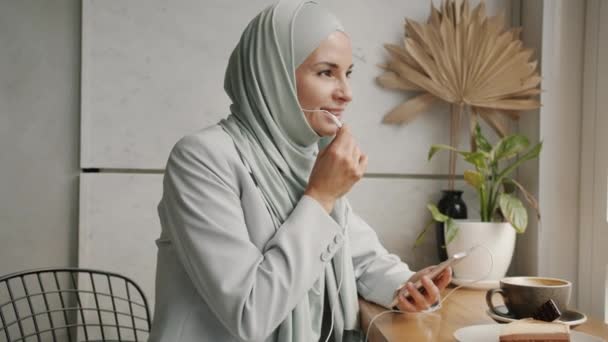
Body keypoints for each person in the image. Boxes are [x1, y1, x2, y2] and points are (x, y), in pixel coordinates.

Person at [148, 0, 452, 341]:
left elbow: (359, 257)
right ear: (272, 75)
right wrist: (321, 195)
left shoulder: (308, 157)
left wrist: (405, 284)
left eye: (347, 73)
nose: (346, 93)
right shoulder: (201, 159)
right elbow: (251, 312)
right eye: (326, 72)